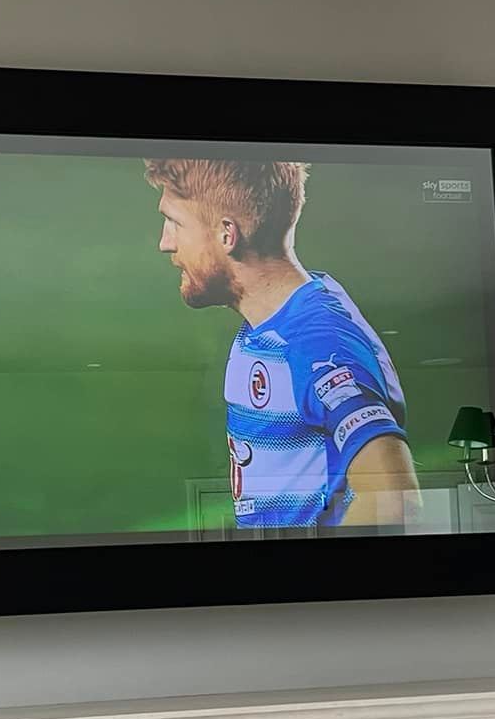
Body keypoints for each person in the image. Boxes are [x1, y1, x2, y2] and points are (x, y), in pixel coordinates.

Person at [144, 157, 418, 529]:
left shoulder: (319, 342)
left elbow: (394, 501)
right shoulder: (268, 325)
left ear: (227, 234)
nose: (165, 243)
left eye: (175, 222)